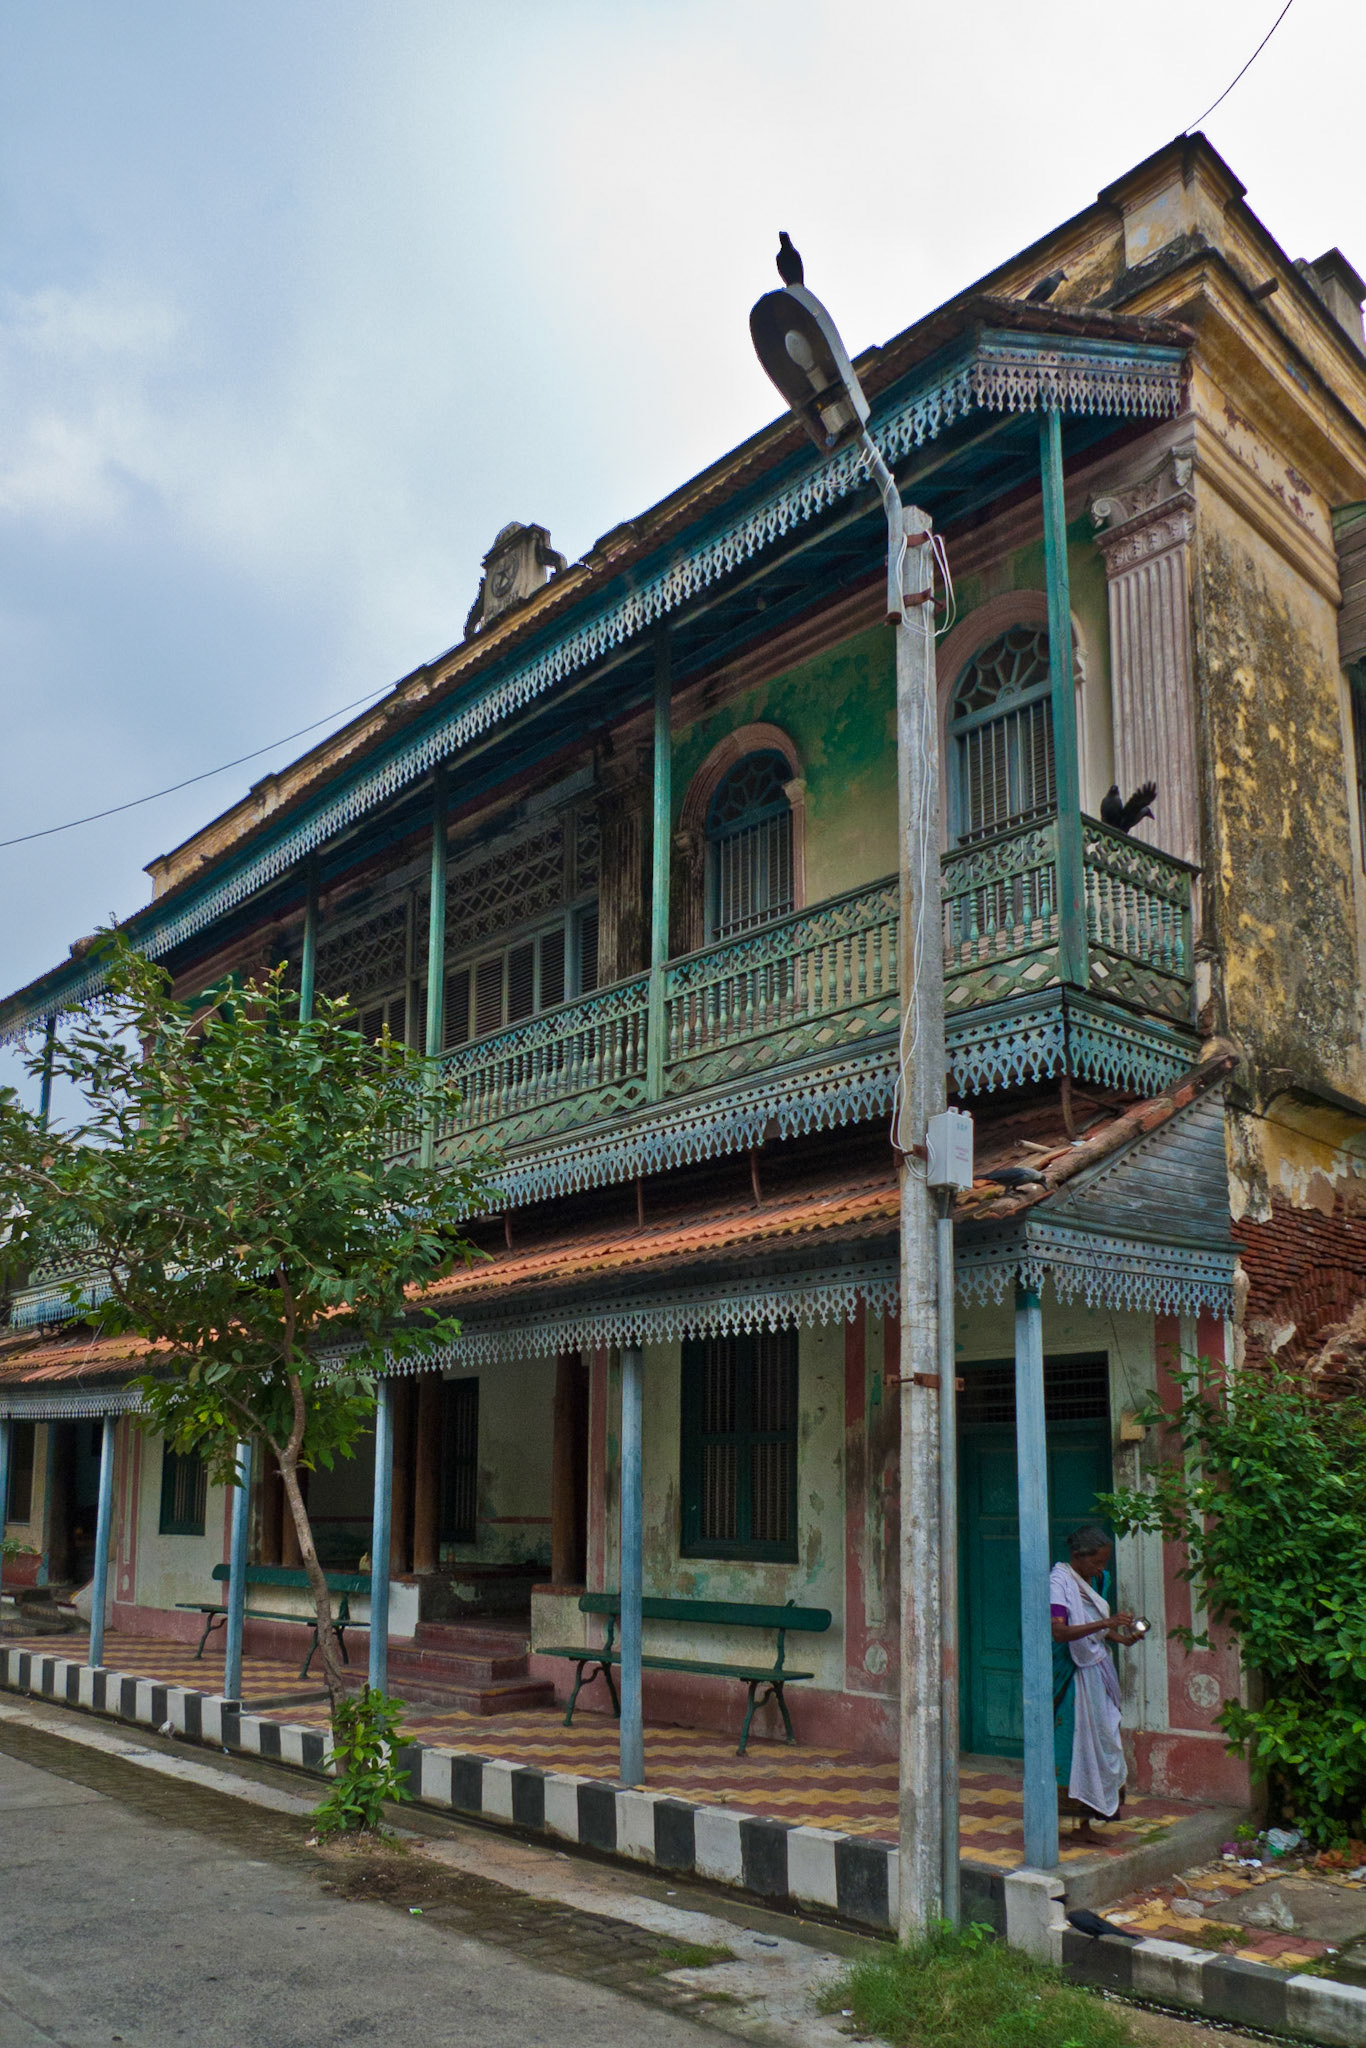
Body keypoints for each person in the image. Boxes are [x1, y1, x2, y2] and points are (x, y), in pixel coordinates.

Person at [1049, 1523, 1141, 1840]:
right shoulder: (1059, 1582)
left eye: (1104, 1562)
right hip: (1071, 1673)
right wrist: (1107, 1622)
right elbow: (1059, 1631)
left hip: (1097, 1667)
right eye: (1096, 1562)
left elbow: (1096, 1630)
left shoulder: (1099, 1579)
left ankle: (1095, 1816)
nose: (1101, 1569)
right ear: (1077, 1556)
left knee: (1105, 1739)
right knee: (1074, 1746)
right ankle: (1072, 1822)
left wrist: (1120, 1637)